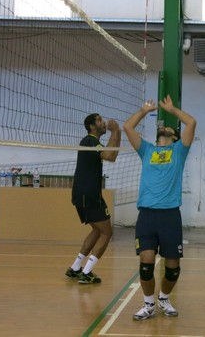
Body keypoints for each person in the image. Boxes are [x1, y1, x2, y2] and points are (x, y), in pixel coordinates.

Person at [123, 95, 196, 321]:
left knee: (172, 267)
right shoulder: (146, 150)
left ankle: (164, 298)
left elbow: (192, 123)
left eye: (169, 129)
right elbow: (127, 126)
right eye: (162, 128)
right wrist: (144, 111)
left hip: (170, 216)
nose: (164, 129)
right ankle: (148, 305)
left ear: (174, 138)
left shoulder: (178, 152)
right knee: (145, 262)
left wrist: (172, 109)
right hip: (147, 215)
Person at [66, 113, 121, 284]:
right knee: (107, 232)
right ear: (92, 126)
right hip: (89, 194)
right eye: (99, 121)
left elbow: (112, 155)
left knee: (97, 230)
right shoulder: (90, 140)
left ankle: (75, 268)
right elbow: (110, 156)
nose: (103, 122)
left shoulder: (91, 142)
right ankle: (87, 272)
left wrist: (116, 133)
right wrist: (115, 131)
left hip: (81, 194)